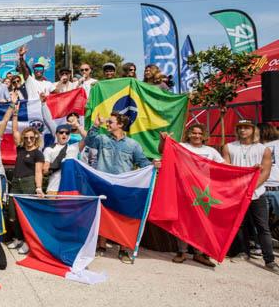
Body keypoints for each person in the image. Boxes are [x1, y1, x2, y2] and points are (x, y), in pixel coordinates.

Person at [85, 112, 151, 263]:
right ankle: (101, 247)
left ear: (120, 125)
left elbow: (143, 163)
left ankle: (123, 250)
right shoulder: (102, 139)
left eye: (110, 122)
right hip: (104, 183)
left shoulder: (133, 145)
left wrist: (153, 167)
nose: (107, 124)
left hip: (123, 185)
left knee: (123, 217)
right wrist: (95, 125)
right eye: (107, 122)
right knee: (104, 214)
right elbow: (89, 141)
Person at [155, 125, 219, 267]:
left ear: (204, 136)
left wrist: (251, 170)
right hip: (184, 189)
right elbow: (163, 151)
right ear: (189, 134)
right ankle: (181, 251)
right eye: (194, 133)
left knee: (201, 223)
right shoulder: (181, 146)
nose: (196, 136)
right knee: (183, 221)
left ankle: (199, 253)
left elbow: (224, 166)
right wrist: (163, 141)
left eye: (199, 133)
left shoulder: (211, 151)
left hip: (204, 192)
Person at [222, 120, 277, 273]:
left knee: (262, 227)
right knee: (239, 224)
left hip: (257, 193)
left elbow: (265, 173)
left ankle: (269, 260)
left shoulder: (263, 149)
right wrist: (238, 187)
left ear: (253, 130)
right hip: (237, 193)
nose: (243, 130)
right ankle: (242, 252)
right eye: (240, 128)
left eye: (246, 127)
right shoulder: (229, 147)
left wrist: (251, 187)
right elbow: (226, 168)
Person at [6, 113, 46, 255]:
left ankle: (28, 242)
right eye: (27, 137)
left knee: (26, 215)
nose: (29, 140)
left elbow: (38, 172)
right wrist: (15, 114)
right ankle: (17, 239)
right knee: (12, 215)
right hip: (16, 183)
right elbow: (15, 131)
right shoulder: (21, 149)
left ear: (36, 138)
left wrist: (39, 188)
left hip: (29, 184)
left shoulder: (38, 153)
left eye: (31, 137)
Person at [43, 124, 80, 194]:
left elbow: (87, 138)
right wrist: (48, 168)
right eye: (61, 132)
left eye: (67, 133)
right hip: (54, 189)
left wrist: (78, 126)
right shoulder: (49, 149)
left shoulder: (74, 148)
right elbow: (45, 171)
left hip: (70, 189)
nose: (64, 134)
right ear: (56, 134)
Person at [258, 123, 279, 238]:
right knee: (260, 221)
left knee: (260, 221)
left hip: (262, 187)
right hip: (269, 187)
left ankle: (258, 246)